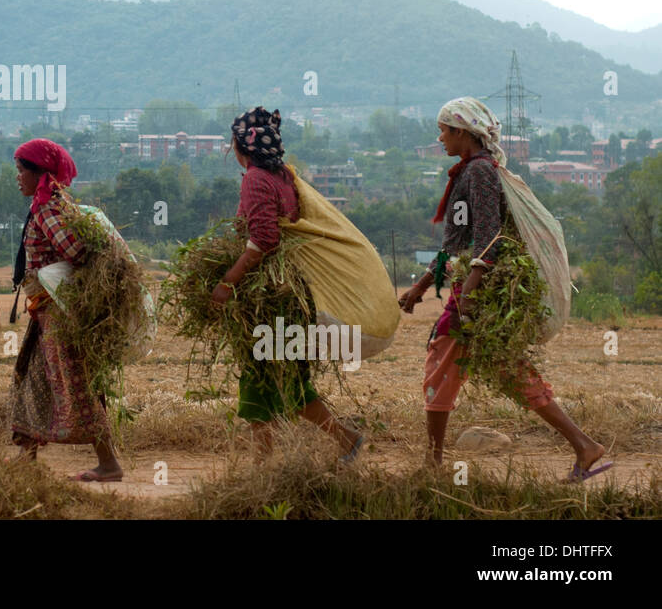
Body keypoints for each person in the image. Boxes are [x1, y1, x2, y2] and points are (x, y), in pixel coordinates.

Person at [398, 97, 610, 481]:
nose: (440, 137)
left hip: (476, 290)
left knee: (440, 365)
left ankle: (432, 466)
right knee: (506, 367)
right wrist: (421, 287)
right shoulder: (469, 171)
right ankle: (584, 445)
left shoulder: (479, 173)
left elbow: (488, 237)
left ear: (463, 133)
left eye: (444, 130)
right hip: (474, 287)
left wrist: (471, 296)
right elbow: (454, 244)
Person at [211, 107, 362, 459]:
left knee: (268, 376)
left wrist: (228, 283)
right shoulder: (283, 175)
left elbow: (264, 240)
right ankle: (272, 459)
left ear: (241, 145)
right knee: (276, 375)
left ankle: (338, 439)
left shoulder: (255, 178)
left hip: (269, 297)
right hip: (286, 292)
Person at [8, 138, 123, 482]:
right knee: (32, 379)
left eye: (21, 171)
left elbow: (76, 252)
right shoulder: (48, 204)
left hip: (59, 313)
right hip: (47, 311)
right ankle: (27, 457)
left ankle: (109, 465)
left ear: (38, 172)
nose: (18, 178)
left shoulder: (47, 209)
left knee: (76, 384)